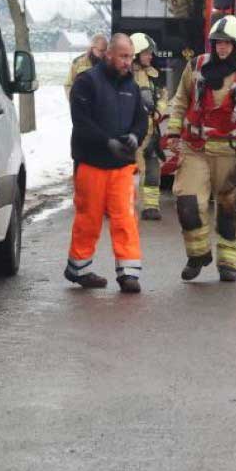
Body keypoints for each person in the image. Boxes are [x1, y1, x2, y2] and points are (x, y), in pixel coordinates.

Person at [167, 15, 236, 283]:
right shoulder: (196, 66)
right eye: (218, 43)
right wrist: (173, 132)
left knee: (229, 209)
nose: (222, 48)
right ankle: (198, 254)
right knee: (188, 204)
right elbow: (180, 101)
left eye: (227, 44)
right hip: (195, 149)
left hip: (232, 153)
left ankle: (228, 261)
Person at [66, 33, 149, 293]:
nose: (128, 62)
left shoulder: (132, 86)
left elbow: (141, 120)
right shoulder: (86, 82)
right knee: (88, 218)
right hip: (91, 163)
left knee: (125, 219)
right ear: (109, 54)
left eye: (131, 57)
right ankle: (79, 269)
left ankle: (128, 273)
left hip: (122, 166)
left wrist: (136, 135)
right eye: (124, 56)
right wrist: (106, 142)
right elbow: (81, 122)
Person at [130, 32, 166, 221]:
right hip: (130, 133)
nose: (150, 56)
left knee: (152, 169)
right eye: (146, 53)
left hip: (151, 131)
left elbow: (162, 96)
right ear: (136, 53)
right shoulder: (124, 75)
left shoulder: (154, 75)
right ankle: (118, 205)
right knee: (124, 172)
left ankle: (151, 206)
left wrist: (158, 110)